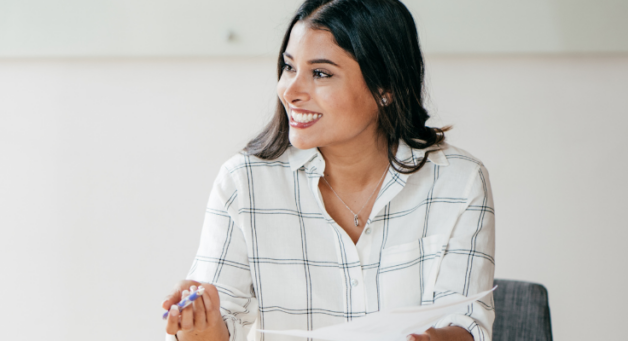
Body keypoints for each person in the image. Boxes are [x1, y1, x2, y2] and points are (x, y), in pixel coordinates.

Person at [161, 1, 495, 341]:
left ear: (385, 88)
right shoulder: (242, 183)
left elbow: (468, 322)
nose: (290, 91)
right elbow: (221, 323)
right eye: (289, 67)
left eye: (320, 73)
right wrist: (198, 325)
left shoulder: (459, 180)